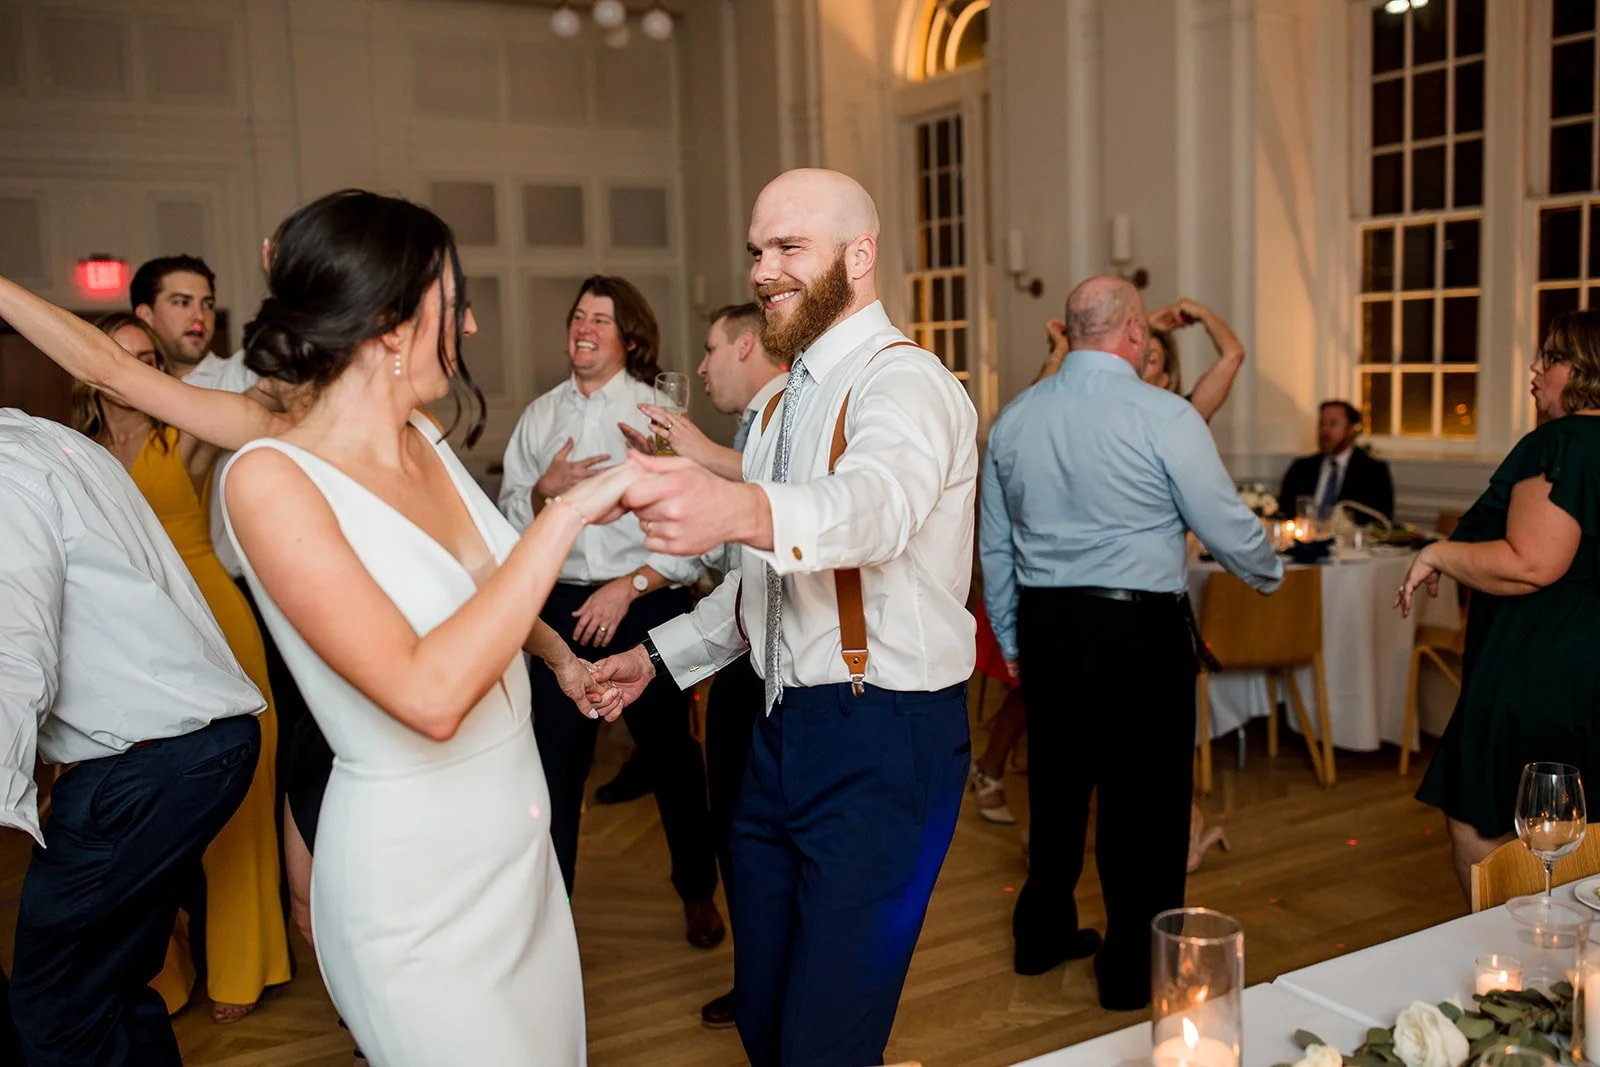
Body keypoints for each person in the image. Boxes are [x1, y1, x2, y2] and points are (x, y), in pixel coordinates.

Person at [0, 188, 636, 1066]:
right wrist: (562, 517)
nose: (474, 328)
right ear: (388, 324)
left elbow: (487, 578)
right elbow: (429, 694)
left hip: (515, 846)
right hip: (418, 870)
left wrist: (562, 658)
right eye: (454, 305)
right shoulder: (273, 462)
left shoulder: (419, 432)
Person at [592, 168, 978, 1067]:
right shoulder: (781, 403)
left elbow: (874, 507)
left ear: (859, 254)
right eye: (758, 250)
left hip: (883, 737)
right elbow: (763, 582)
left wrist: (734, 509)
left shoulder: (906, 383)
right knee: (764, 1016)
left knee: (824, 1041)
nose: (765, 270)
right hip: (778, 729)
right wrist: (658, 658)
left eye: (788, 247)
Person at [981, 276, 1282, 1011]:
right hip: (1138, 632)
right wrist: (1269, 567)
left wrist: (1014, 635)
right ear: (1136, 335)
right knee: (1141, 808)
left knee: (1054, 791)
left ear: (1075, 331)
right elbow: (1219, 517)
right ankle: (1126, 972)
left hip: (1050, 626)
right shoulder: (1163, 415)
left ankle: (1040, 934)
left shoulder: (1015, 419)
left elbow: (993, 545)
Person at [0, 409, 266, 1067]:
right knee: (109, 984)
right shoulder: (51, 439)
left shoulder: (7, 470)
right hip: (201, 743)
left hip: (143, 764)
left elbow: (13, 647)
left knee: (51, 1003)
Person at [69, 310, 292, 1023]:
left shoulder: (183, 433)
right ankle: (156, 967)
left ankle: (243, 962)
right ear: (91, 367)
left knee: (244, 791)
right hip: (124, 632)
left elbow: (268, 403)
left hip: (211, 621)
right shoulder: (74, 448)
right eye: (121, 358)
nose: (137, 374)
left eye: (150, 362)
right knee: (135, 802)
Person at [498, 275, 724, 949]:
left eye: (599, 317)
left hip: (646, 602)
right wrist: (544, 492)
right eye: (577, 316)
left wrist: (628, 585)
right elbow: (507, 529)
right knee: (552, 769)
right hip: (559, 610)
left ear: (628, 336)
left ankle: (697, 893)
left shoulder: (659, 415)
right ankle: (551, 915)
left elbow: (697, 529)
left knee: (674, 760)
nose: (583, 326)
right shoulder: (539, 418)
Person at [973, 296, 1247, 851]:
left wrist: (1195, 318)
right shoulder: (1070, 409)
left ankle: (1139, 851)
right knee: (1071, 748)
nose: (1133, 369)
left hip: (1136, 607)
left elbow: (1232, 356)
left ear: (1165, 375)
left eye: (1148, 364)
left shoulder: (1177, 417)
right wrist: (1063, 350)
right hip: (1068, 602)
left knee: (1127, 757)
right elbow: (1034, 413)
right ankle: (1034, 816)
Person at [134, 252, 323, 939]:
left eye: (205, 301)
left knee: (262, 757)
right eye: (180, 301)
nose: (197, 315)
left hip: (241, 594)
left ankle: (277, 913)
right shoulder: (118, 403)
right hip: (148, 614)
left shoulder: (237, 380)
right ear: (144, 315)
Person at [621, 301, 787, 1030]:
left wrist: (693, 460)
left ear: (749, 343)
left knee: (757, 834)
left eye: (714, 349)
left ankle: (773, 987)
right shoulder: (753, 431)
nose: (705, 366)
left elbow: (783, 521)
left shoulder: (781, 429)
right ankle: (758, 982)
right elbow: (731, 564)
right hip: (740, 642)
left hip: (777, 666)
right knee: (740, 833)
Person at [1399, 310, 1600, 899]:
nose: (1535, 370)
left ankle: (1519, 971)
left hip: (1534, 669)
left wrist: (1437, 553)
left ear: (1585, 369)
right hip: (1584, 669)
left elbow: (1532, 563)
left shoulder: (1561, 442)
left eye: (1552, 358)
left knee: (1484, 826)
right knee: (1578, 829)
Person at [1279, 400, 1395, 522]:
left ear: (1351, 428)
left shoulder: (1374, 472)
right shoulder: (1301, 468)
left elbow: (1381, 521)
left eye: (1333, 424)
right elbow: (1284, 512)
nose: (1324, 431)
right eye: (1322, 424)